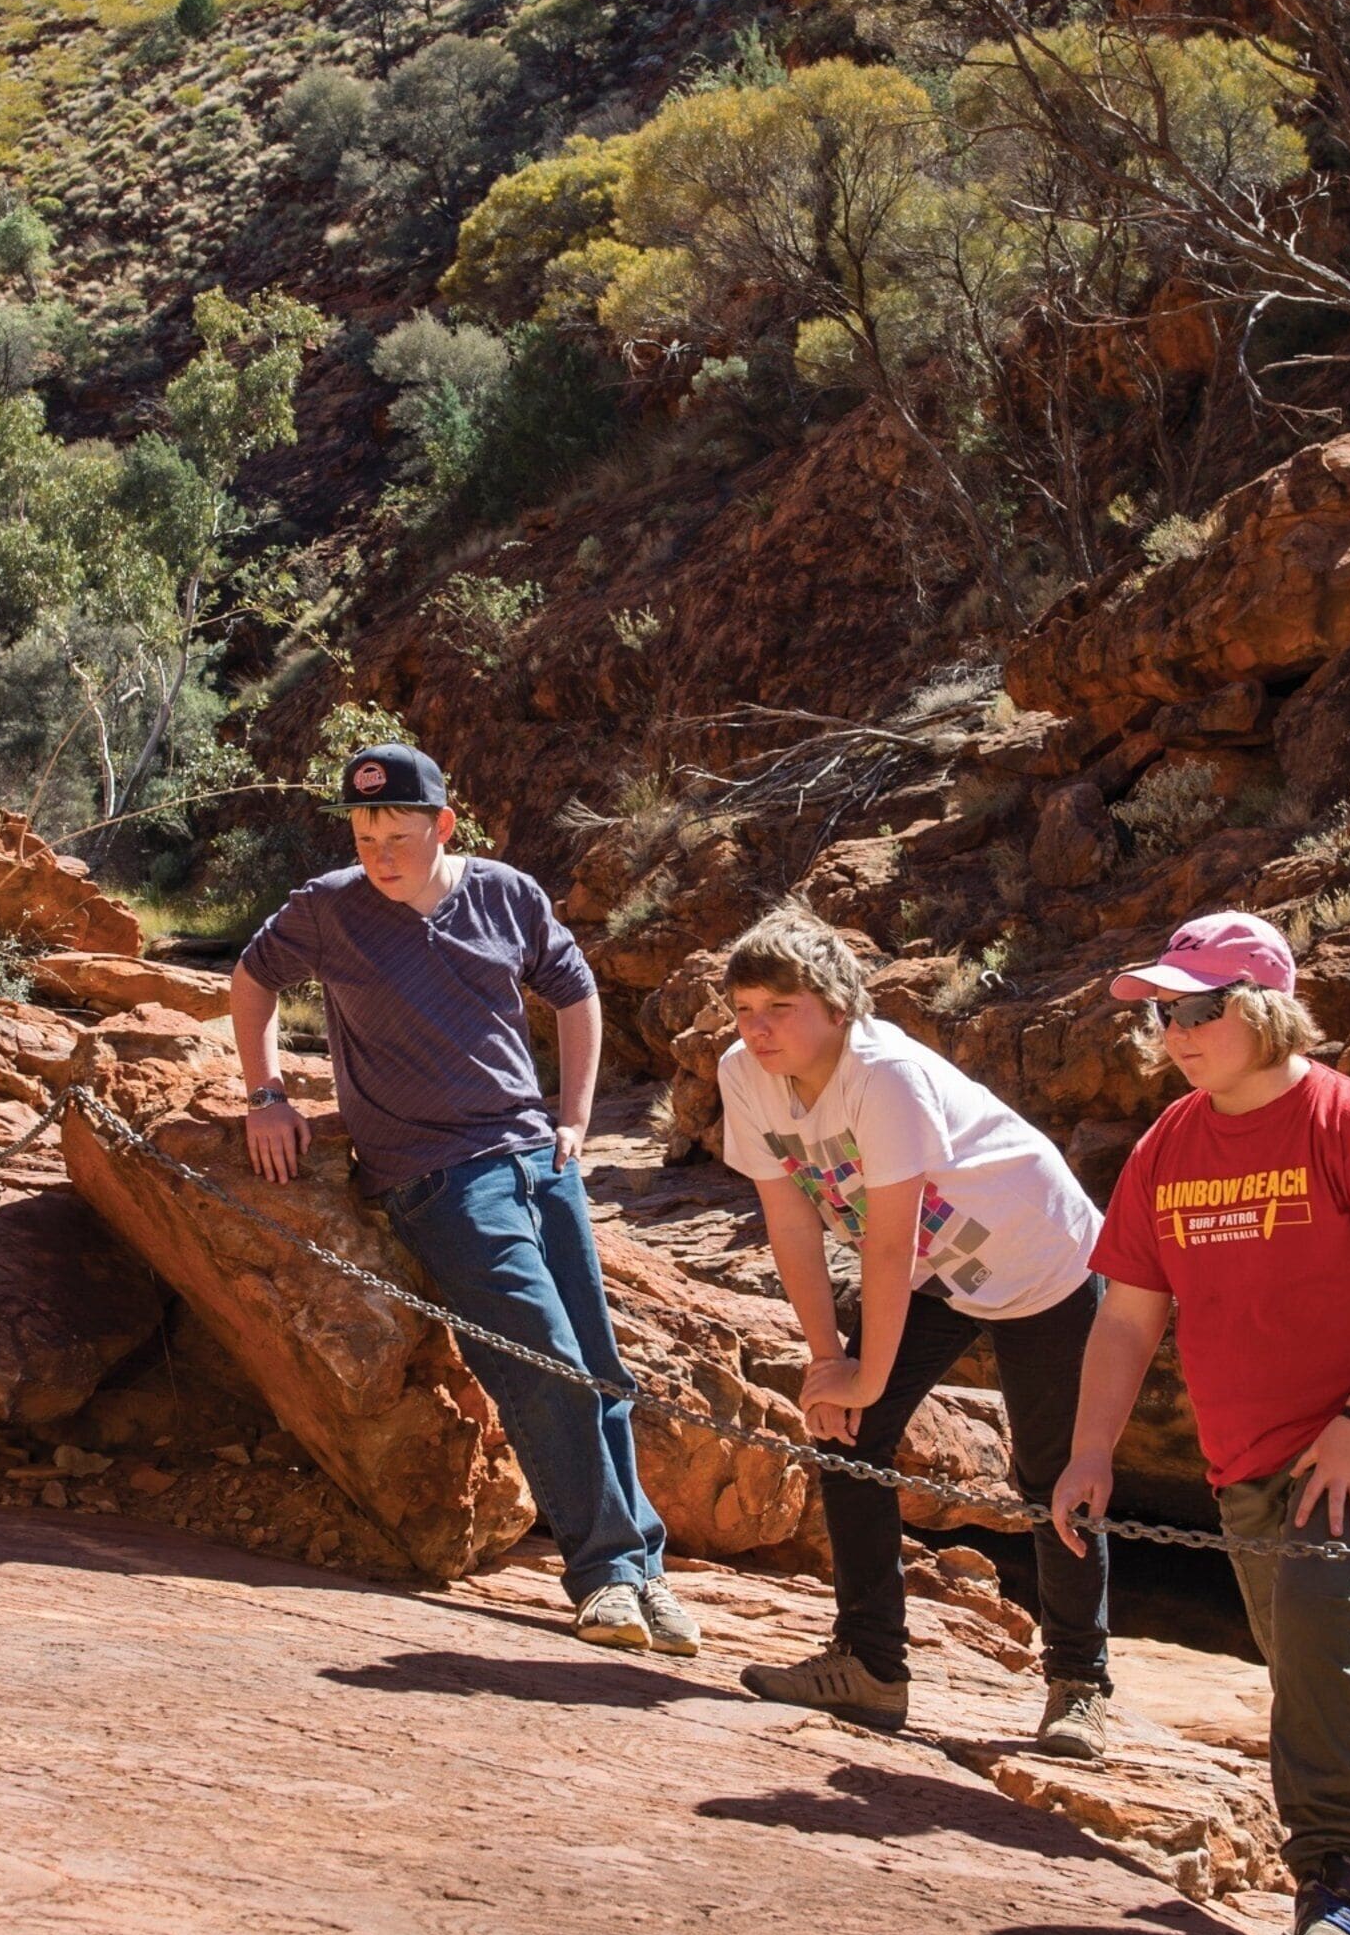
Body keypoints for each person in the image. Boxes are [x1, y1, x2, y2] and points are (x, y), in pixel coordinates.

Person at [1045, 912, 1350, 1935]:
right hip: (1245, 1461)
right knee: (1340, 1678)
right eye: (1162, 1012)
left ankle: (1339, 1883)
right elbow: (1127, 1319)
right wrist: (1090, 1450)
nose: (1175, 1032)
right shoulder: (1169, 1145)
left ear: (1264, 1006)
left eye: (1198, 1008)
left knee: (1329, 1638)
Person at [230, 743, 693, 1655]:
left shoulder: (507, 895)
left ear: (443, 826)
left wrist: (576, 1117)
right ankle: (605, 1575)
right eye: (364, 834)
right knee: (543, 1357)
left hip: (536, 1158)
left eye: (398, 834)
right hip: (437, 1177)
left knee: (600, 1368)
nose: (378, 853)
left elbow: (575, 989)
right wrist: (267, 1094)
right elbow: (251, 983)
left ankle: (646, 1574)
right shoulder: (327, 910)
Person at [713, 910, 1113, 1755]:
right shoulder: (744, 1075)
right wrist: (830, 1364)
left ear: (832, 1004)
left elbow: (887, 1242)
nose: (757, 1027)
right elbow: (789, 1219)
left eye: (777, 1006)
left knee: (1052, 1474)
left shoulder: (882, 1073)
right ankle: (869, 1666)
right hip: (938, 1271)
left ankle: (1078, 1683)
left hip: (1038, 1259)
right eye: (743, 1007)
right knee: (848, 1430)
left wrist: (862, 1370)